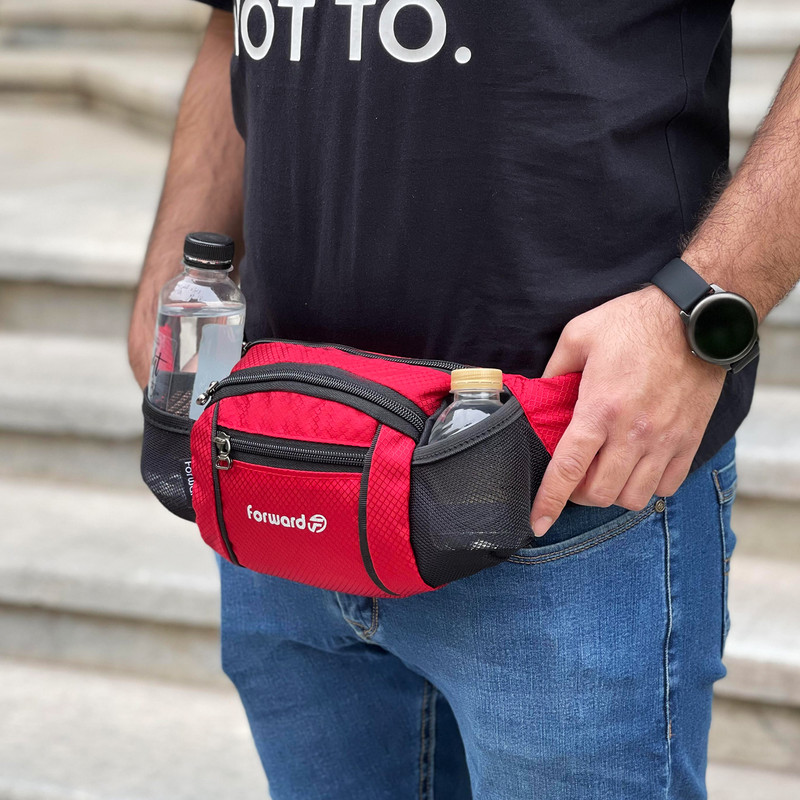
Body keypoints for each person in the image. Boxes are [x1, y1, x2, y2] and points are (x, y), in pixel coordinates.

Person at [129, 2, 800, 797]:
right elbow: (228, 25)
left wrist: (704, 304)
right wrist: (176, 269)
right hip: (281, 472)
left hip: (563, 477)